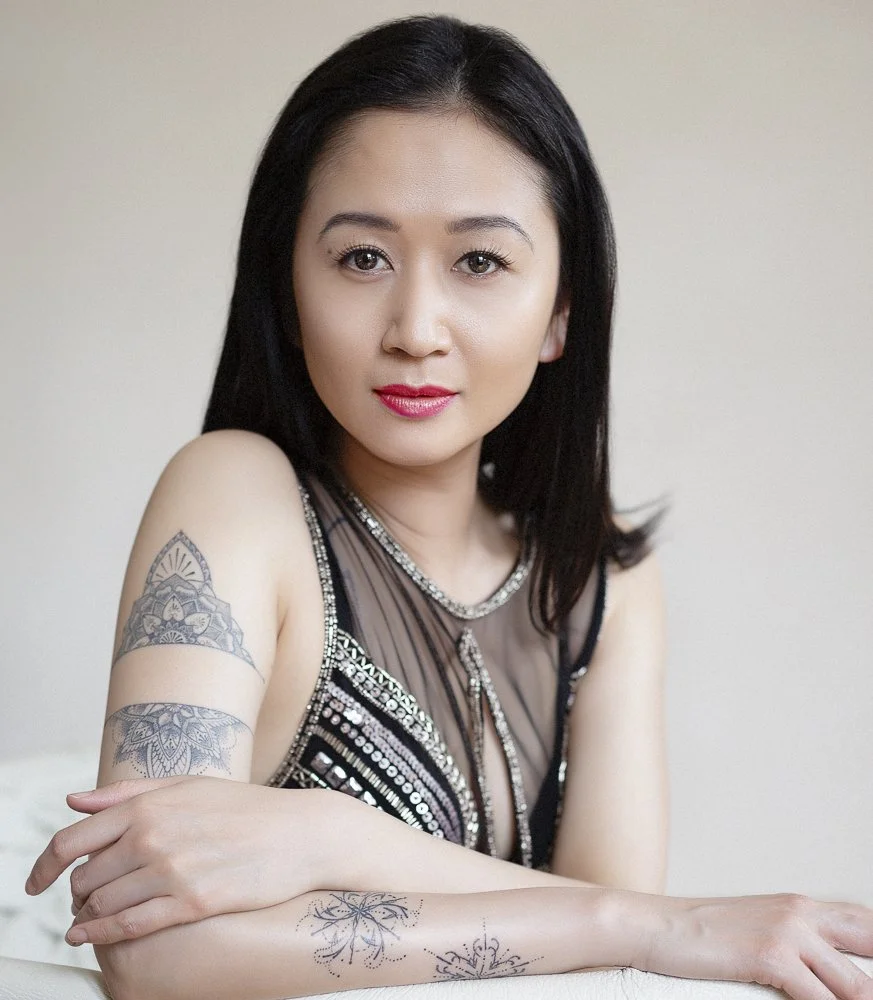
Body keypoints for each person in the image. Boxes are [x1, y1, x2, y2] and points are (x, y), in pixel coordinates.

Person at [25, 14, 873, 1000]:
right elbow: (156, 955)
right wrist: (641, 921)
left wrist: (336, 840)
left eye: (479, 262)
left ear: (563, 309)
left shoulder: (600, 585)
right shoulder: (235, 491)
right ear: (288, 291)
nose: (416, 330)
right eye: (361, 259)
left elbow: (613, 963)